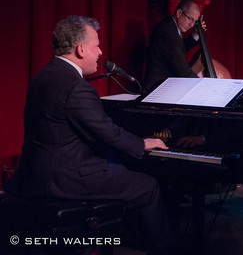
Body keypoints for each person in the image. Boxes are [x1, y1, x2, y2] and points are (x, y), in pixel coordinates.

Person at [5, 15, 173, 254]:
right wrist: (141, 143)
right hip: (62, 179)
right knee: (147, 186)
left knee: (119, 169)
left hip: (35, 173)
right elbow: (108, 133)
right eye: (96, 45)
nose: (101, 52)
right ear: (81, 49)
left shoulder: (44, 76)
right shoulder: (76, 87)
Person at [143, 0, 206, 92]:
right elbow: (183, 70)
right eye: (190, 19)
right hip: (157, 90)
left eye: (194, 21)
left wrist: (196, 35)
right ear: (179, 13)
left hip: (163, 87)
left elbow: (178, 48)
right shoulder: (168, 31)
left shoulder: (171, 27)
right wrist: (205, 86)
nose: (191, 25)